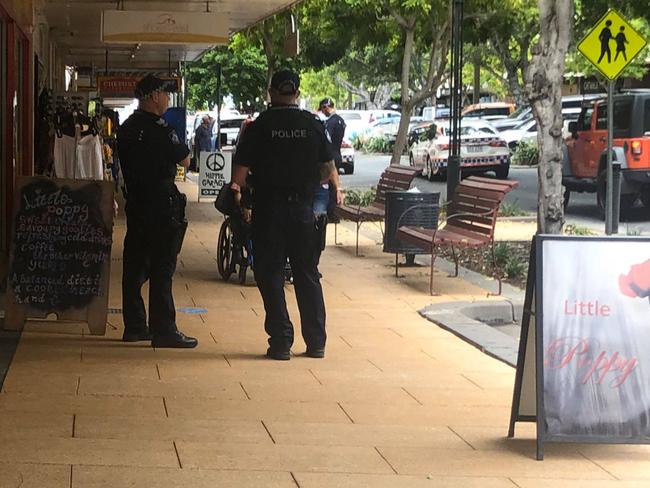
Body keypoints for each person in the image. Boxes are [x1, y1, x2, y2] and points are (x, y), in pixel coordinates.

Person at [231, 69, 340, 360]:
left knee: (271, 275)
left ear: (271, 92)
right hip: (303, 211)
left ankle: (281, 341)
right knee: (307, 274)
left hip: (270, 210)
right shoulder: (313, 124)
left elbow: (239, 176)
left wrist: (245, 195)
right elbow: (327, 170)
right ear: (298, 92)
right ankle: (316, 342)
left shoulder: (259, 126)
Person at [117, 74, 198, 348]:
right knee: (163, 267)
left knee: (135, 265)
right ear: (153, 96)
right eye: (164, 94)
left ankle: (135, 326)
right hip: (162, 205)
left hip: (137, 203)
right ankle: (164, 328)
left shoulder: (126, 128)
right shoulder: (161, 129)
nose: (167, 99)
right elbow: (185, 159)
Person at [314, 98, 345, 256]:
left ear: (327, 107)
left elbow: (329, 163)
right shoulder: (340, 121)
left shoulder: (330, 123)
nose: (322, 111)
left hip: (328, 163)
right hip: (333, 159)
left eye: (323, 108)